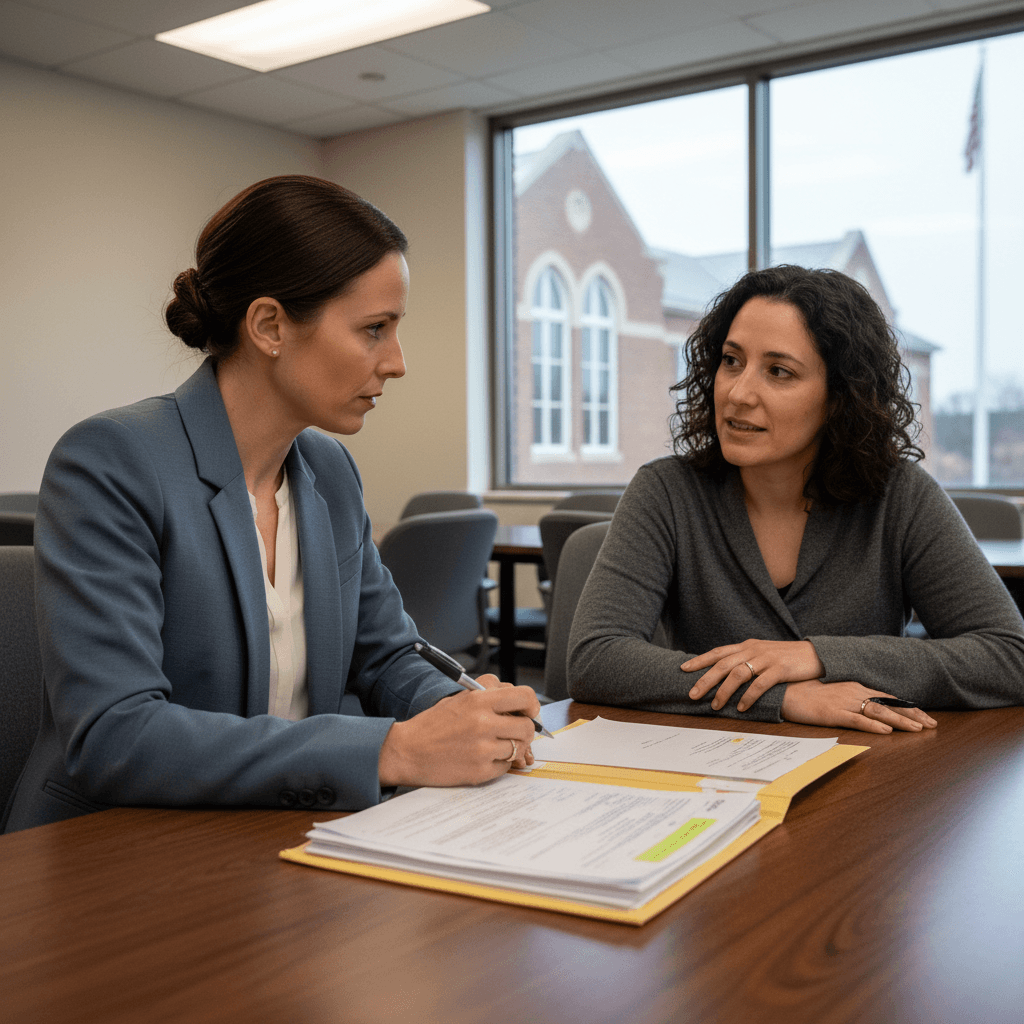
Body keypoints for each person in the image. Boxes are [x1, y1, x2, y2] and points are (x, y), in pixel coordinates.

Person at [4, 175, 539, 833]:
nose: (396, 362)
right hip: (114, 850)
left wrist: (466, 714)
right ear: (269, 326)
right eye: (375, 329)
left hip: (271, 837)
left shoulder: (329, 471)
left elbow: (387, 655)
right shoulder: (111, 462)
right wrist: (393, 749)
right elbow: (116, 735)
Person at [568, 265, 1024, 733]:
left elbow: (1010, 655)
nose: (739, 393)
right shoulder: (666, 491)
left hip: (869, 778)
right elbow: (595, 657)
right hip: (714, 780)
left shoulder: (900, 495)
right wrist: (784, 696)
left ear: (839, 396)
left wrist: (814, 656)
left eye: (779, 371)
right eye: (731, 360)